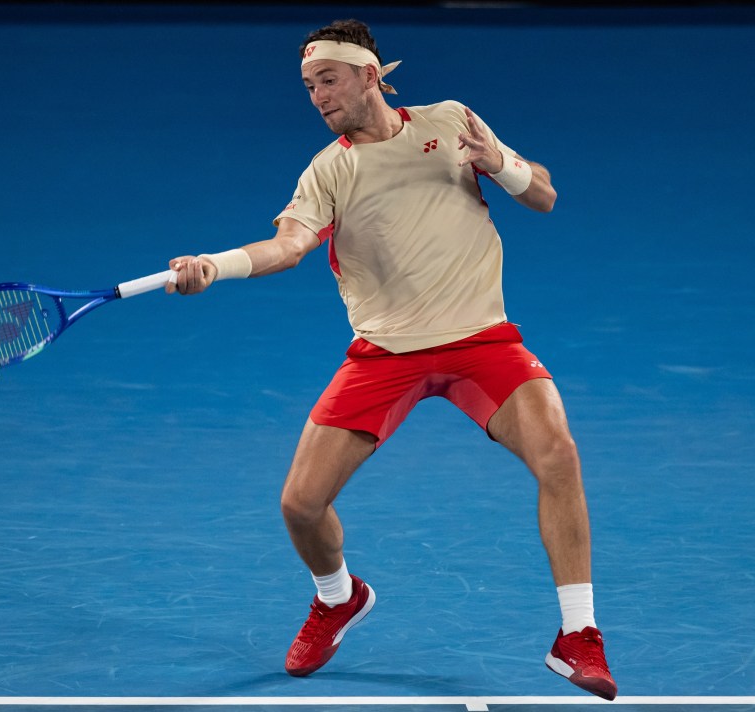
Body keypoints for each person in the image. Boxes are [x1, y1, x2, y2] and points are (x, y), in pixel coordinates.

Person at [164, 19, 617, 701]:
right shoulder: (330, 171)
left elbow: (545, 194)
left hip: (483, 341)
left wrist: (500, 163)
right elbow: (286, 246)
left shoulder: (451, 120)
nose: (316, 96)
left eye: (328, 80)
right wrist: (213, 266)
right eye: (308, 86)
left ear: (369, 74)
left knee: (558, 453)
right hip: (386, 353)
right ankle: (338, 597)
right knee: (301, 505)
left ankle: (578, 635)